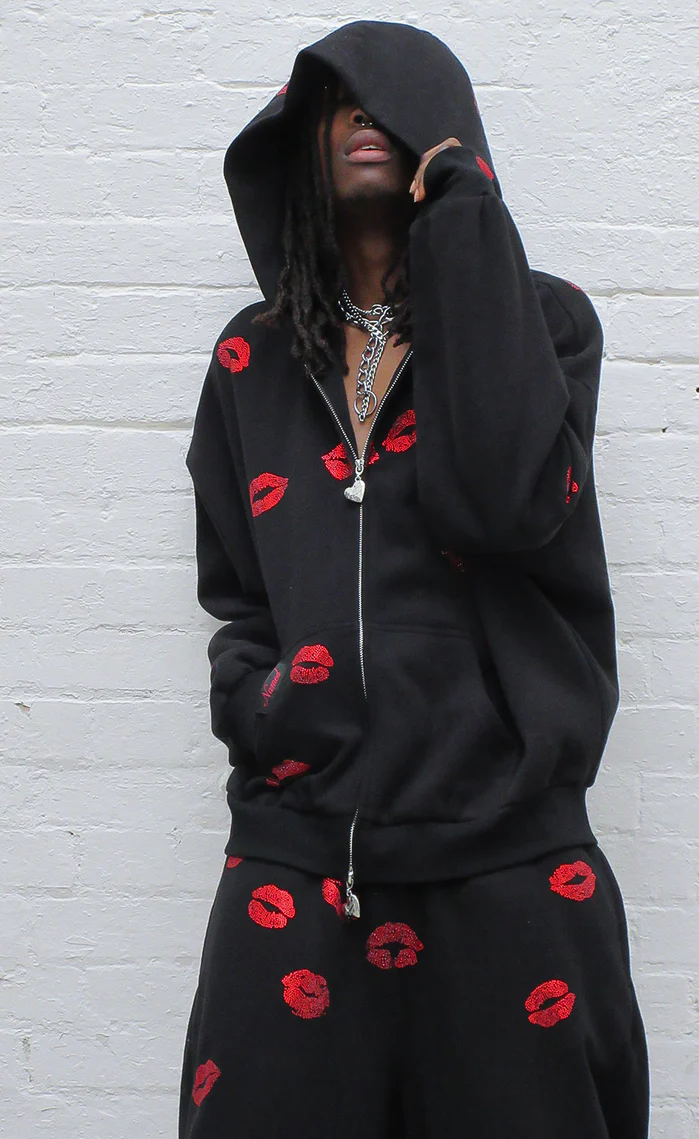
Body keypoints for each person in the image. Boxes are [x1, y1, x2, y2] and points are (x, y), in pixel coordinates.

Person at [178, 19, 649, 1139]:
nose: (359, 116)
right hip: (300, 857)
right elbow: (238, 589)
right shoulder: (252, 357)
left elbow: (501, 505)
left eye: (389, 97)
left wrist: (468, 230)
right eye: (332, 101)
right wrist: (262, 703)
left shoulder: (542, 324)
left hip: (508, 864)